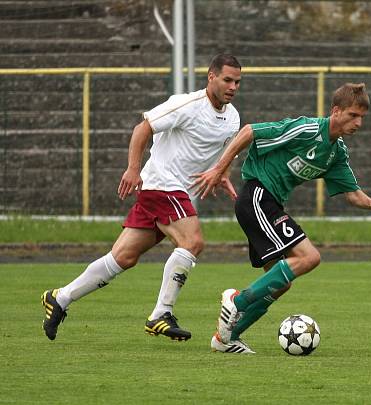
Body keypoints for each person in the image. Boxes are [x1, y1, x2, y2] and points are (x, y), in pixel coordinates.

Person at [41, 54, 243, 342]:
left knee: (122, 257)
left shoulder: (232, 117)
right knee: (193, 242)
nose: (233, 86)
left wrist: (222, 173)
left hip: (169, 191)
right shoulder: (186, 104)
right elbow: (142, 128)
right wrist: (133, 169)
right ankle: (161, 313)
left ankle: (59, 298)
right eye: (227, 79)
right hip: (162, 184)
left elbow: (227, 150)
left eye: (237, 81)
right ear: (211, 77)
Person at [191, 82, 371, 354]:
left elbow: (351, 193)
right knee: (309, 257)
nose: (358, 123)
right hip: (257, 196)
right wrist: (221, 169)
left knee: (281, 283)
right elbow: (249, 131)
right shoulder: (307, 129)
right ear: (336, 111)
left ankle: (226, 338)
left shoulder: (336, 153)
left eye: (362, 117)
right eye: (353, 115)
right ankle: (237, 300)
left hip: (269, 204)